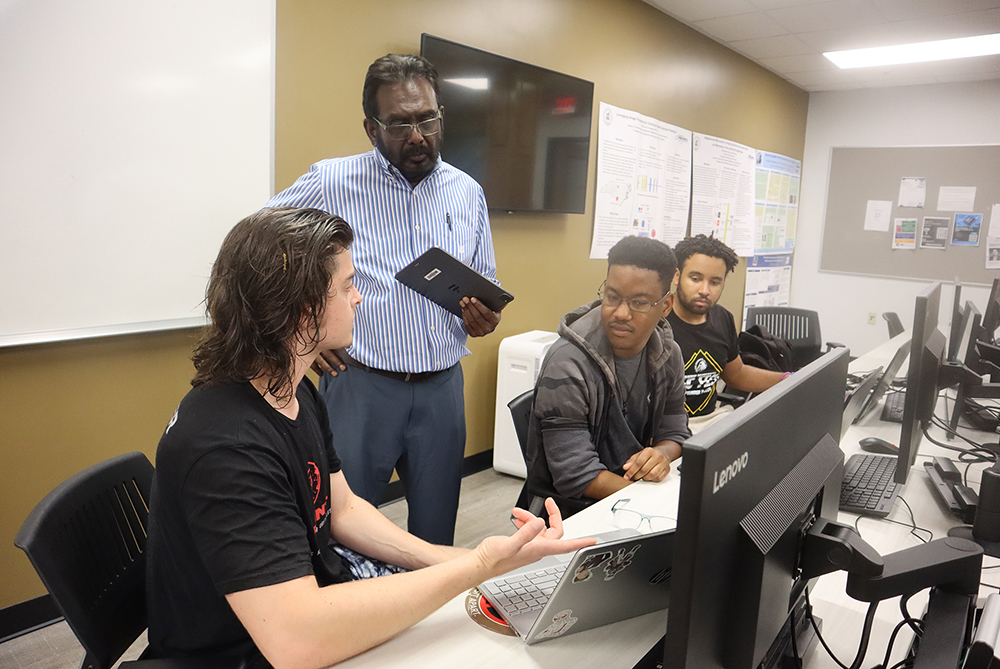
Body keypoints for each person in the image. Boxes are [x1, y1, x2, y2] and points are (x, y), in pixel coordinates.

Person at [145, 207, 592, 669]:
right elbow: (296, 642)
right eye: (346, 285)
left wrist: (456, 561)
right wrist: (477, 567)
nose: (359, 298)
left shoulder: (290, 389)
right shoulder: (228, 447)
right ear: (304, 310)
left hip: (304, 602)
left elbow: (343, 508)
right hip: (240, 652)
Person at [265, 54, 501, 545]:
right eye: (399, 123)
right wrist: (297, 330)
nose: (417, 135)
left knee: (436, 534)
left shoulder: (466, 192)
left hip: (442, 389)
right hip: (360, 387)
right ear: (372, 128)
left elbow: (483, 291)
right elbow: (256, 241)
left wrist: (483, 318)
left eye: (426, 119)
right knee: (341, 529)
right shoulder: (333, 181)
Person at [524, 236, 690, 504]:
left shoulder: (668, 354)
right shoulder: (567, 362)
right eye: (612, 297)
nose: (621, 313)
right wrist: (653, 500)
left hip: (630, 494)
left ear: (666, 306)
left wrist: (662, 454)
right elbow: (576, 475)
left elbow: (675, 433)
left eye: (639, 303)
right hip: (572, 510)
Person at [667, 234, 786, 430]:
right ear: (677, 276)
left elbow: (736, 374)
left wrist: (785, 379)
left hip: (711, 421)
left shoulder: (723, 318)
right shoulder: (657, 321)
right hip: (667, 428)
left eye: (715, 282)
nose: (704, 290)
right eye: (695, 279)